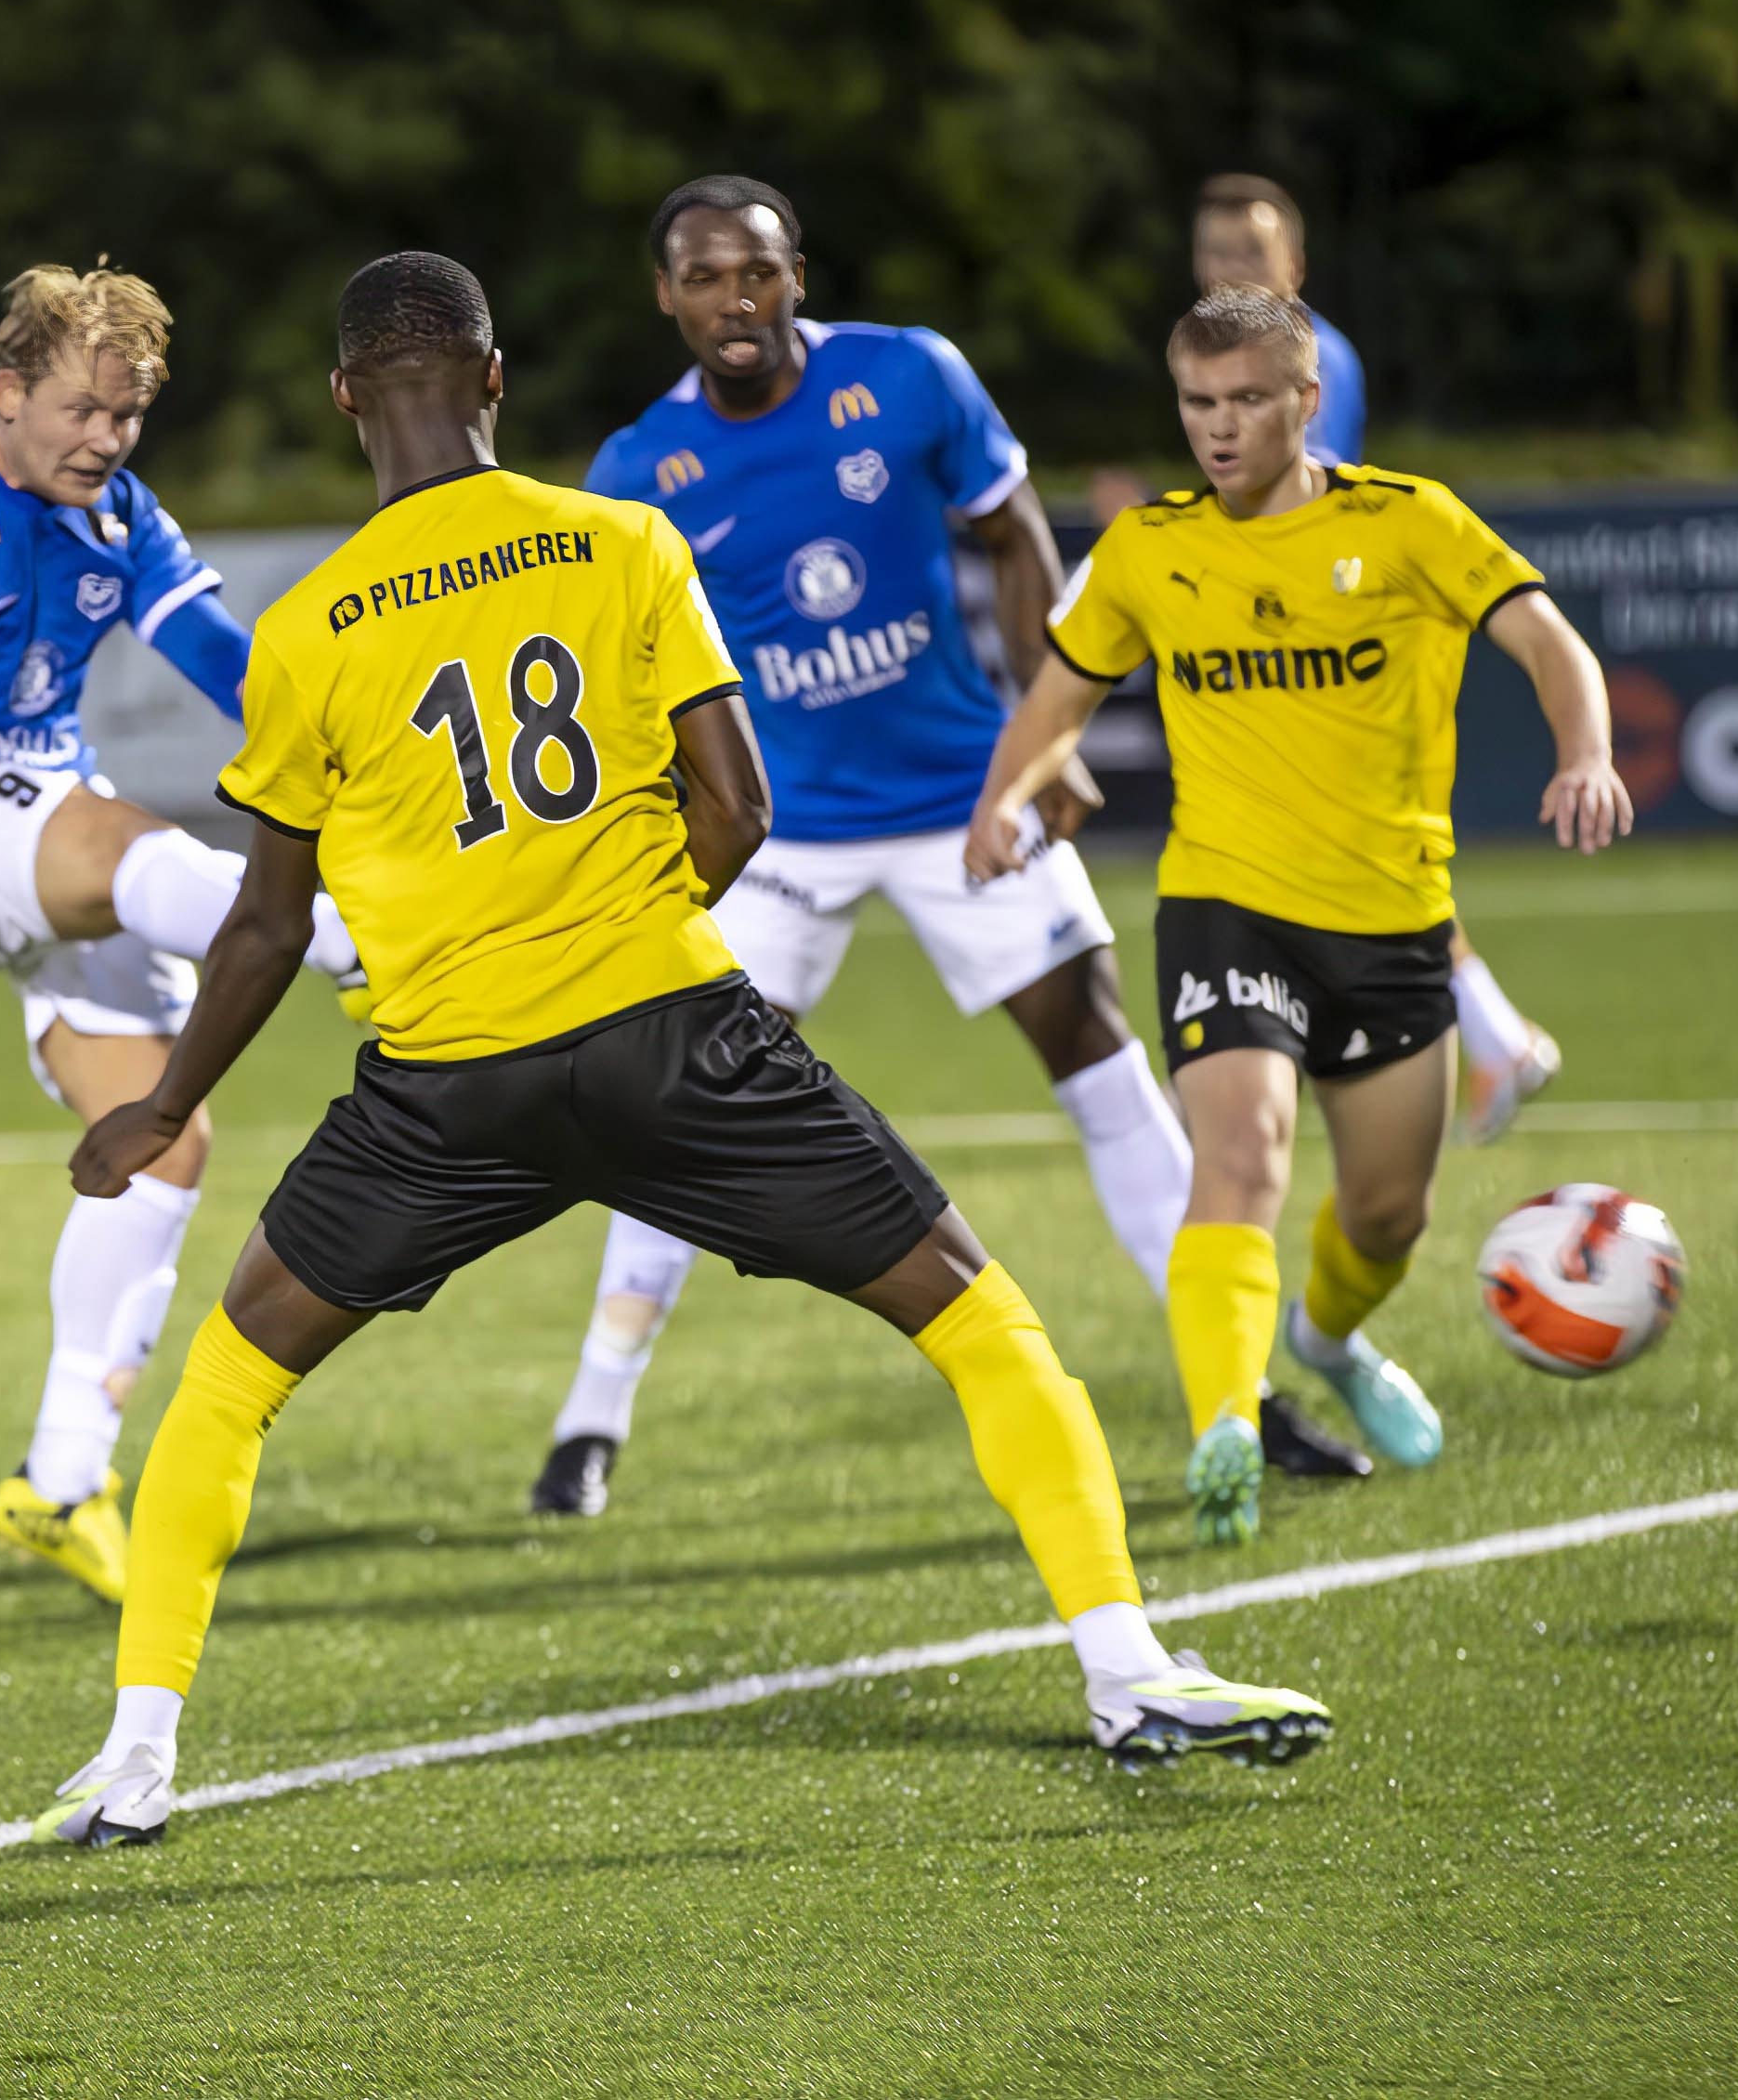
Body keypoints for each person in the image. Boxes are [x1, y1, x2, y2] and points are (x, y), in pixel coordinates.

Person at [29, 253, 1329, 1847]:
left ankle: (142, 1757)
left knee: (226, 1387)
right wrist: (627, 942)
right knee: (984, 1327)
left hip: (448, 1088)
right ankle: (1127, 1668)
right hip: (675, 1038)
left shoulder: (303, 632)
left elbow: (261, 925)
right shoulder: (625, 540)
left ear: (346, 398)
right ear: (497, 381)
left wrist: (167, 1104)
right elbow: (741, 811)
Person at [525, 175, 1357, 1515]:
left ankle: (1238, 1395)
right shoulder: (637, 471)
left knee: (1099, 1051)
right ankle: (589, 1421)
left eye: (757, 272)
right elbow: (631, 674)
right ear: (663, 295)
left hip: (962, 797)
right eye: (703, 278)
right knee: (679, 1092)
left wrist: (1043, 738)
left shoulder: (911, 378)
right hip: (780, 831)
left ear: (801, 272)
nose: (734, 302)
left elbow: (1016, 535)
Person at [978, 285, 1630, 1548]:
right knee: (1242, 1156)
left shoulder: (1408, 522)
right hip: (1225, 905)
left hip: (1392, 924)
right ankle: (1226, 1420)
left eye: (1246, 402)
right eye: (1197, 403)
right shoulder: (1152, 547)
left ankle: (1329, 1337)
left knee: (1389, 1213)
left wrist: (1585, 750)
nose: (1218, 429)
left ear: (1304, 400)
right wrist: (1007, 790)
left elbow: (1550, 641)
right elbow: (1061, 686)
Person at [0, 265, 360, 1606]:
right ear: (8, 393)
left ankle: (57, 1478)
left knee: (162, 1140)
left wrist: (333, 737)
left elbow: (220, 654)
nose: (105, 440)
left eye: (129, 418)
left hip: (41, 828)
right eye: (83, 412)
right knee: (121, 838)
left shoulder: (120, 514)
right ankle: (365, 946)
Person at [1183, 176, 1564, 1146]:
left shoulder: (1317, 362)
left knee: (1365, 860)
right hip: (1289, 655)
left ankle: (1470, 1039)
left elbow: (1296, 510)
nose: (1231, 271)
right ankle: (1492, 1035)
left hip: (1336, 656)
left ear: (1294, 268)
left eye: (1250, 254)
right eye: (1215, 255)